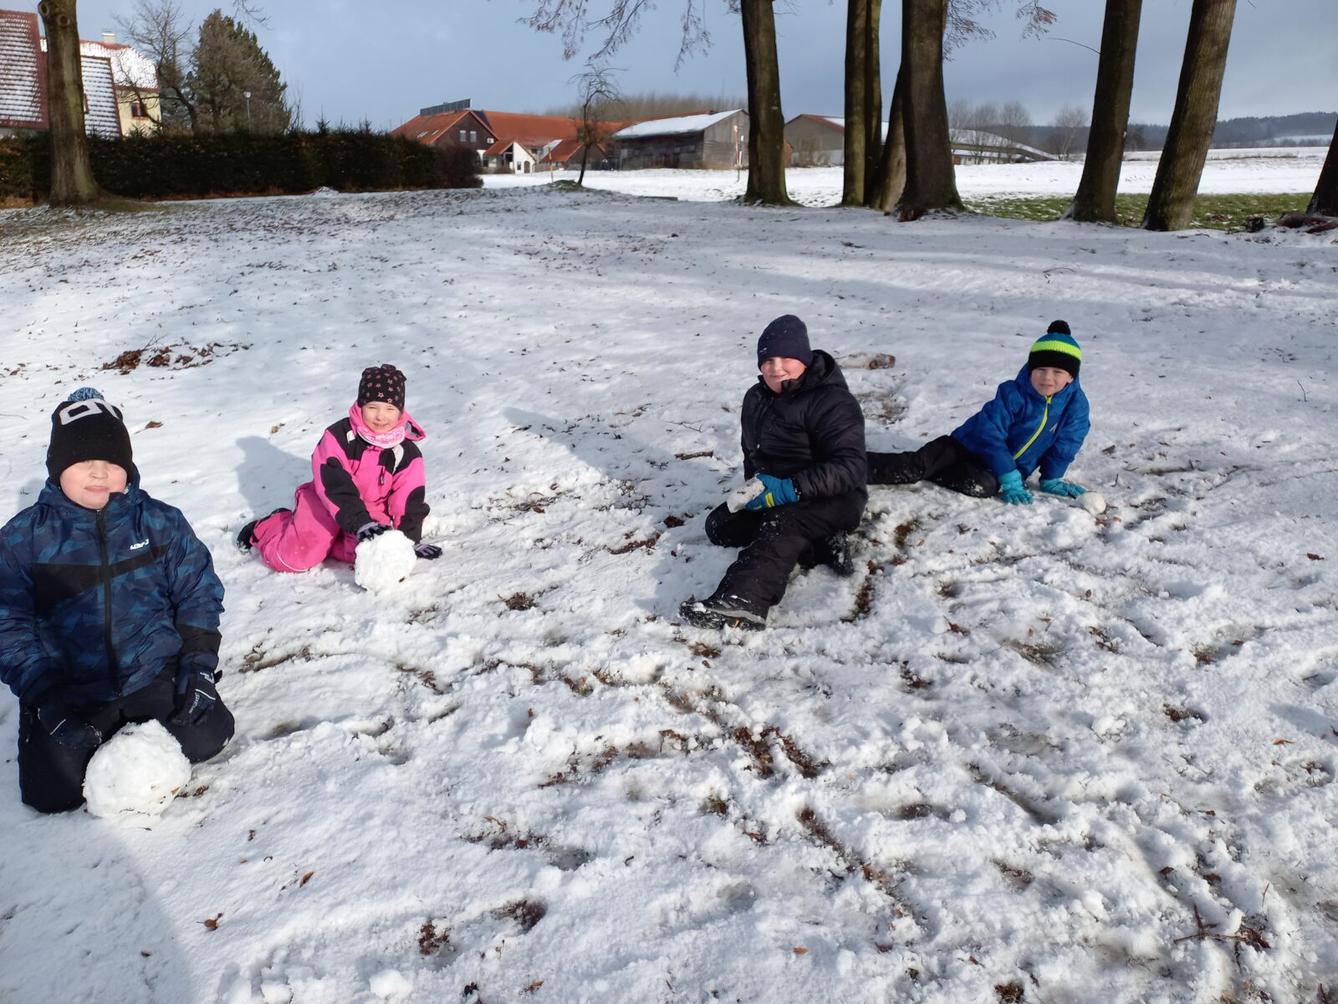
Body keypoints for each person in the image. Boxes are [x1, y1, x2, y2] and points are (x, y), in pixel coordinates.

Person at [0, 388, 234, 814]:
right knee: (54, 793)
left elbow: (197, 591)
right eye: (83, 461)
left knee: (208, 736)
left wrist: (198, 668)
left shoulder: (160, 522)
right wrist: (43, 696)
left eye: (111, 462)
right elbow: (7, 623)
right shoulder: (24, 539)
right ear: (57, 468)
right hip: (70, 688)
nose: (99, 473)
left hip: (151, 671)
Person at [680, 315, 867, 630]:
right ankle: (819, 544)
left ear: (804, 360)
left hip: (833, 495)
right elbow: (752, 452)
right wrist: (753, 489)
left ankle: (744, 601)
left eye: (786, 358)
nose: (776, 367)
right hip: (776, 491)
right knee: (721, 526)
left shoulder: (833, 401)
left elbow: (851, 467)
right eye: (768, 359)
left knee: (784, 523)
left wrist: (788, 490)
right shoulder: (756, 398)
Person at [238, 363, 441, 571]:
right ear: (361, 406)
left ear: (400, 412)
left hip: (370, 513)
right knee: (297, 558)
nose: (381, 416)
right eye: (372, 407)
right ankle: (267, 528)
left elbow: (408, 503)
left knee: (373, 555)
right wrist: (360, 522)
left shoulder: (406, 454)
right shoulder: (338, 437)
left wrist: (407, 542)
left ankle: (312, 531)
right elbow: (335, 485)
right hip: (325, 502)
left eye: (389, 409)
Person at [866, 320, 1090, 504]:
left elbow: (1067, 443)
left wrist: (1051, 478)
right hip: (963, 446)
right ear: (1030, 369)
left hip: (994, 470)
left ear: (1071, 376)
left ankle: (937, 472)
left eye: (1057, 371)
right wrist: (1009, 474)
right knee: (915, 467)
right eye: (1040, 369)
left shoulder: (1075, 407)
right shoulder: (1013, 393)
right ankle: (852, 465)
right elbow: (990, 432)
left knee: (985, 487)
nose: (1047, 377)